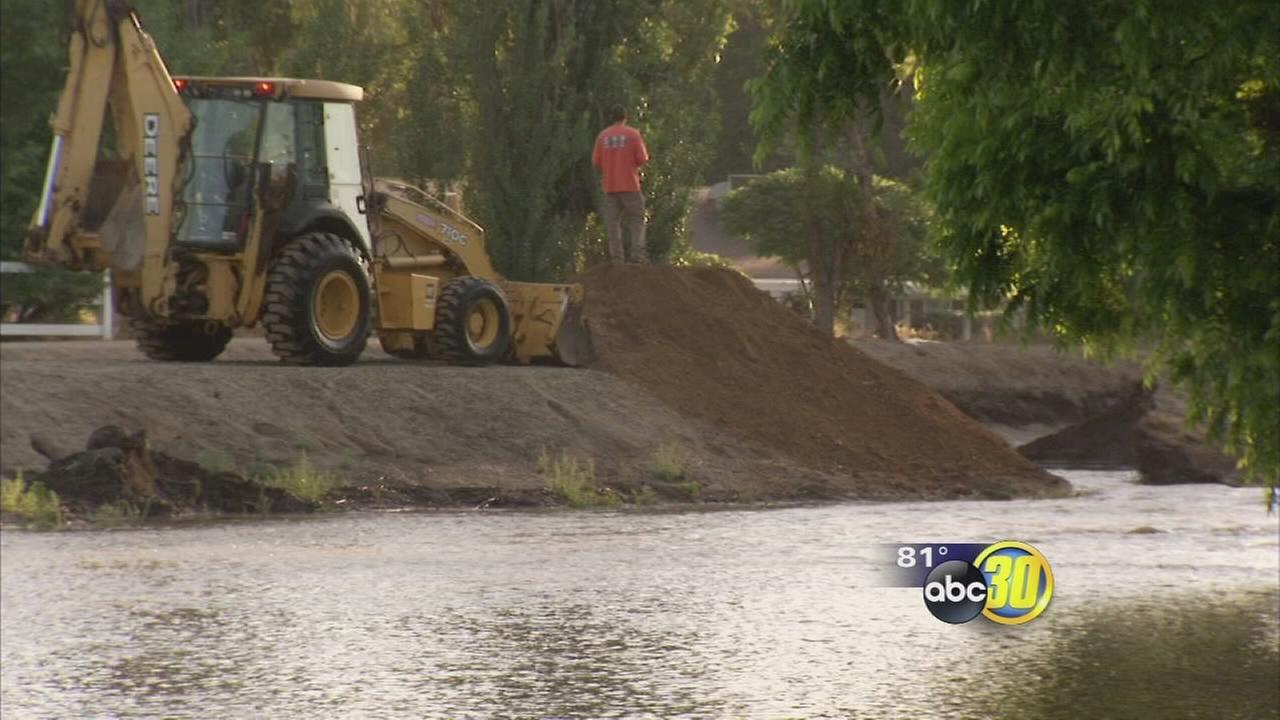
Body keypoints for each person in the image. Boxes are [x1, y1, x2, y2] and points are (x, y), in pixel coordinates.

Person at [592, 104, 649, 264]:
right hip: (630, 185)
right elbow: (642, 159)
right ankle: (637, 256)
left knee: (613, 223)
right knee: (637, 220)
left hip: (610, 186)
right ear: (625, 117)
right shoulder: (633, 134)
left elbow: (596, 161)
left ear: (611, 117)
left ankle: (617, 258)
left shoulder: (602, 136)